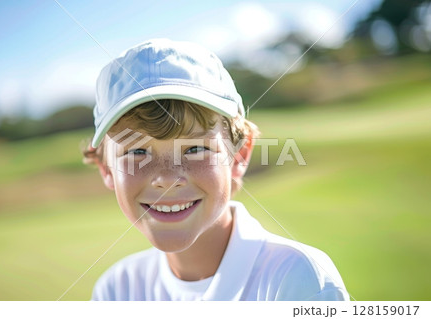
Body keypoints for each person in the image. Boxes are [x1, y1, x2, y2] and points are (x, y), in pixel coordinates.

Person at [84, 38, 349, 301]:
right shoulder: (115, 291)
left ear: (238, 156)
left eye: (195, 149)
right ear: (106, 169)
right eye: (136, 151)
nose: (167, 179)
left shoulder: (299, 282)